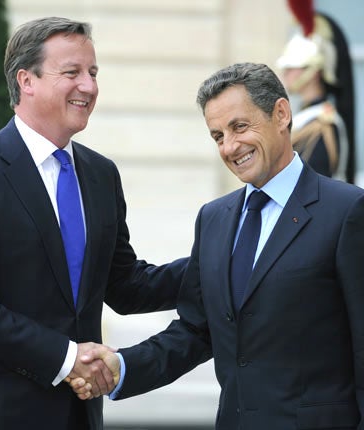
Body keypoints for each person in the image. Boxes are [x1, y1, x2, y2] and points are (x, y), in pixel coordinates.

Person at [73, 62, 364, 429]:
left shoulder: (347, 211)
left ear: (281, 114)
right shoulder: (214, 219)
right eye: (217, 136)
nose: (230, 146)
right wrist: (123, 366)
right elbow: (196, 331)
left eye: (240, 126)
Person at [0, 17, 187, 430]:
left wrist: (222, 257)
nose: (89, 86)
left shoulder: (101, 174)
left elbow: (124, 285)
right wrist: (67, 359)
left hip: (79, 415)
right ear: (26, 80)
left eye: (93, 73)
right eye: (72, 73)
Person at [276, 1, 355, 183]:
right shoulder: (307, 118)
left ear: (314, 72)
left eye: (292, 66)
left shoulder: (322, 125)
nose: (286, 73)